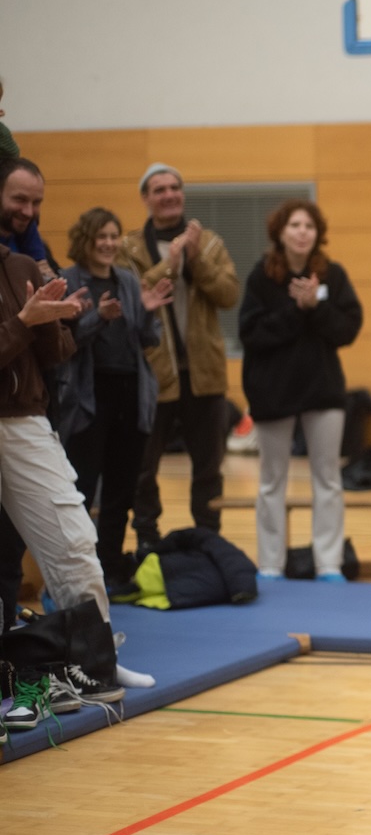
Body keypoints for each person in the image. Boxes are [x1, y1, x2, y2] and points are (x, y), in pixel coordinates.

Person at [0, 239, 136, 711]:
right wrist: (22, 323)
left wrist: (55, 318)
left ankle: (94, 662)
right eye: (21, 198)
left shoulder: (18, 265)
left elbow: (57, 353)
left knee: (74, 539)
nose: (27, 208)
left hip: (24, 419)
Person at [238, 199, 363, 582]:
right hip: (273, 392)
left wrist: (316, 307)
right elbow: (251, 333)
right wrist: (297, 309)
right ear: (280, 231)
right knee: (271, 480)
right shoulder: (262, 277)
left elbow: (348, 328)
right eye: (294, 225)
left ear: (317, 233)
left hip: (322, 391)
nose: (302, 232)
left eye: (309, 226)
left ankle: (328, 563)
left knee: (327, 478)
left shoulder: (333, 275)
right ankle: (270, 564)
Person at [57, 208, 174, 593]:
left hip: (129, 394)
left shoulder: (127, 279)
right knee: (84, 489)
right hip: (90, 399)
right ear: (86, 240)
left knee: (122, 491)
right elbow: (64, 345)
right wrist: (99, 318)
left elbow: (147, 338)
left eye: (113, 236)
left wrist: (148, 314)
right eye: (100, 237)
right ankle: (79, 574)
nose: (108, 244)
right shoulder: (69, 281)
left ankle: (111, 568)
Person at [124, 163, 239, 546]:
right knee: (143, 467)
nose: (169, 194)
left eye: (174, 187)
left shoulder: (209, 244)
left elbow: (228, 295)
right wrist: (170, 265)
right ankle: (147, 539)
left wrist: (195, 258)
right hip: (153, 376)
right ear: (146, 198)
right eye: (159, 189)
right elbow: (131, 297)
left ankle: (209, 540)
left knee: (208, 468)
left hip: (204, 374)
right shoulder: (129, 248)